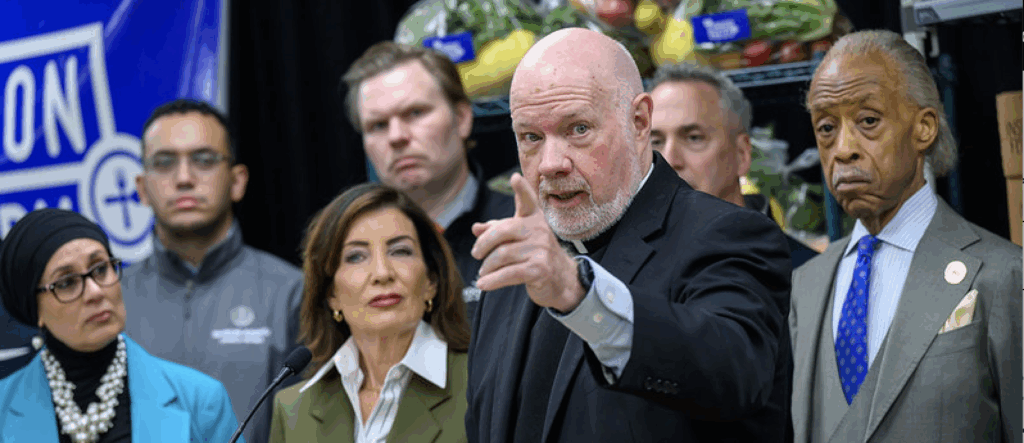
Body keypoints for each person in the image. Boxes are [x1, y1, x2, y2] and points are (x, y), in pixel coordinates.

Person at [466, 28, 793, 442]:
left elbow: (736, 373)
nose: (551, 163)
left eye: (578, 129)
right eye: (531, 137)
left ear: (639, 122)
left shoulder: (728, 234)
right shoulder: (515, 270)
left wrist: (579, 294)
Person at [790, 30, 1022, 443]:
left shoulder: (1001, 275)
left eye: (868, 121)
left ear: (924, 128)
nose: (843, 149)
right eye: (826, 127)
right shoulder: (806, 286)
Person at [122, 99, 304, 443]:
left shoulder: (292, 293)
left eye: (204, 160)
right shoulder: (110, 300)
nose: (184, 178)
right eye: (164, 163)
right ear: (142, 188)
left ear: (237, 181)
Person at [0, 208, 239, 442]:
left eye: (101, 269)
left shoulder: (201, 400)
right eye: (66, 283)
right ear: (34, 309)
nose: (95, 292)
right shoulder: (4, 408)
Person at [269, 183, 470, 443]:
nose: (382, 273)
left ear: (431, 281)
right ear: (331, 294)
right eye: (356, 257)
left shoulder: (481, 382)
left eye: (400, 251)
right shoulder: (294, 409)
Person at [341, 42, 514, 320]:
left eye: (415, 113)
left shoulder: (520, 230)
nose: (396, 136)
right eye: (378, 125)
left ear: (461, 118)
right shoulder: (351, 256)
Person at [648, 62, 818, 268]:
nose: (669, 160)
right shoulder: (621, 275)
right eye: (655, 142)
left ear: (742, 154)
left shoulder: (805, 279)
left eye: (693, 138)